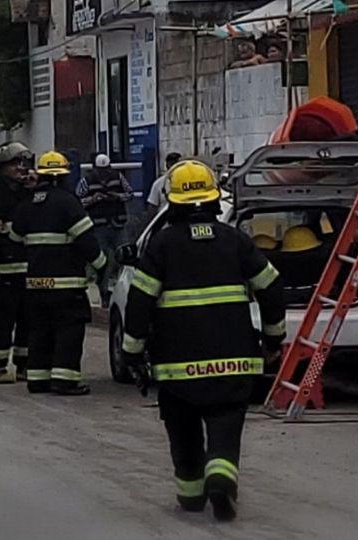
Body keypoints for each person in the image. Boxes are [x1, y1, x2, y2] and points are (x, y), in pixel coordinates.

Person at [122, 160, 285, 521]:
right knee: (226, 420)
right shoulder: (236, 241)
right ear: (213, 200)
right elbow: (272, 289)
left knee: (182, 426)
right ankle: (221, 476)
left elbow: (139, 302)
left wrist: (131, 352)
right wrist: (274, 340)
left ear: (172, 202)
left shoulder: (161, 246)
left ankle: (191, 493)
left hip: (178, 367)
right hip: (234, 361)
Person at [11, 151, 106, 396]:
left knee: (39, 332)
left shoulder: (28, 204)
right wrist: (103, 266)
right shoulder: (68, 202)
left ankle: (37, 379)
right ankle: (64, 380)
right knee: (69, 332)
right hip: (66, 286)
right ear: (63, 176)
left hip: (35, 285)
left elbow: (14, 238)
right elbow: (88, 243)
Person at [0, 142, 35, 383]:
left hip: (28, 267)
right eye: (15, 164)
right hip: (2, 268)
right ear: (1, 167)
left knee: (27, 319)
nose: (21, 168)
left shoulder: (28, 193)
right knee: (2, 320)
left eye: (23, 163)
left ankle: (24, 364)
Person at [75, 153, 133, 308]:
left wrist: (117, 196)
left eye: (105, 170)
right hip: (99, 226)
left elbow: (129, 193)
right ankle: (104, 292)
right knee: (103, 262)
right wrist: (93, 199)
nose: (103, 173)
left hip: (118, 225)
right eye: (100, 170)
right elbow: (77, 200)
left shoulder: (118, 177)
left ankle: (125, 290)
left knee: (125, 257)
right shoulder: (86, 181)